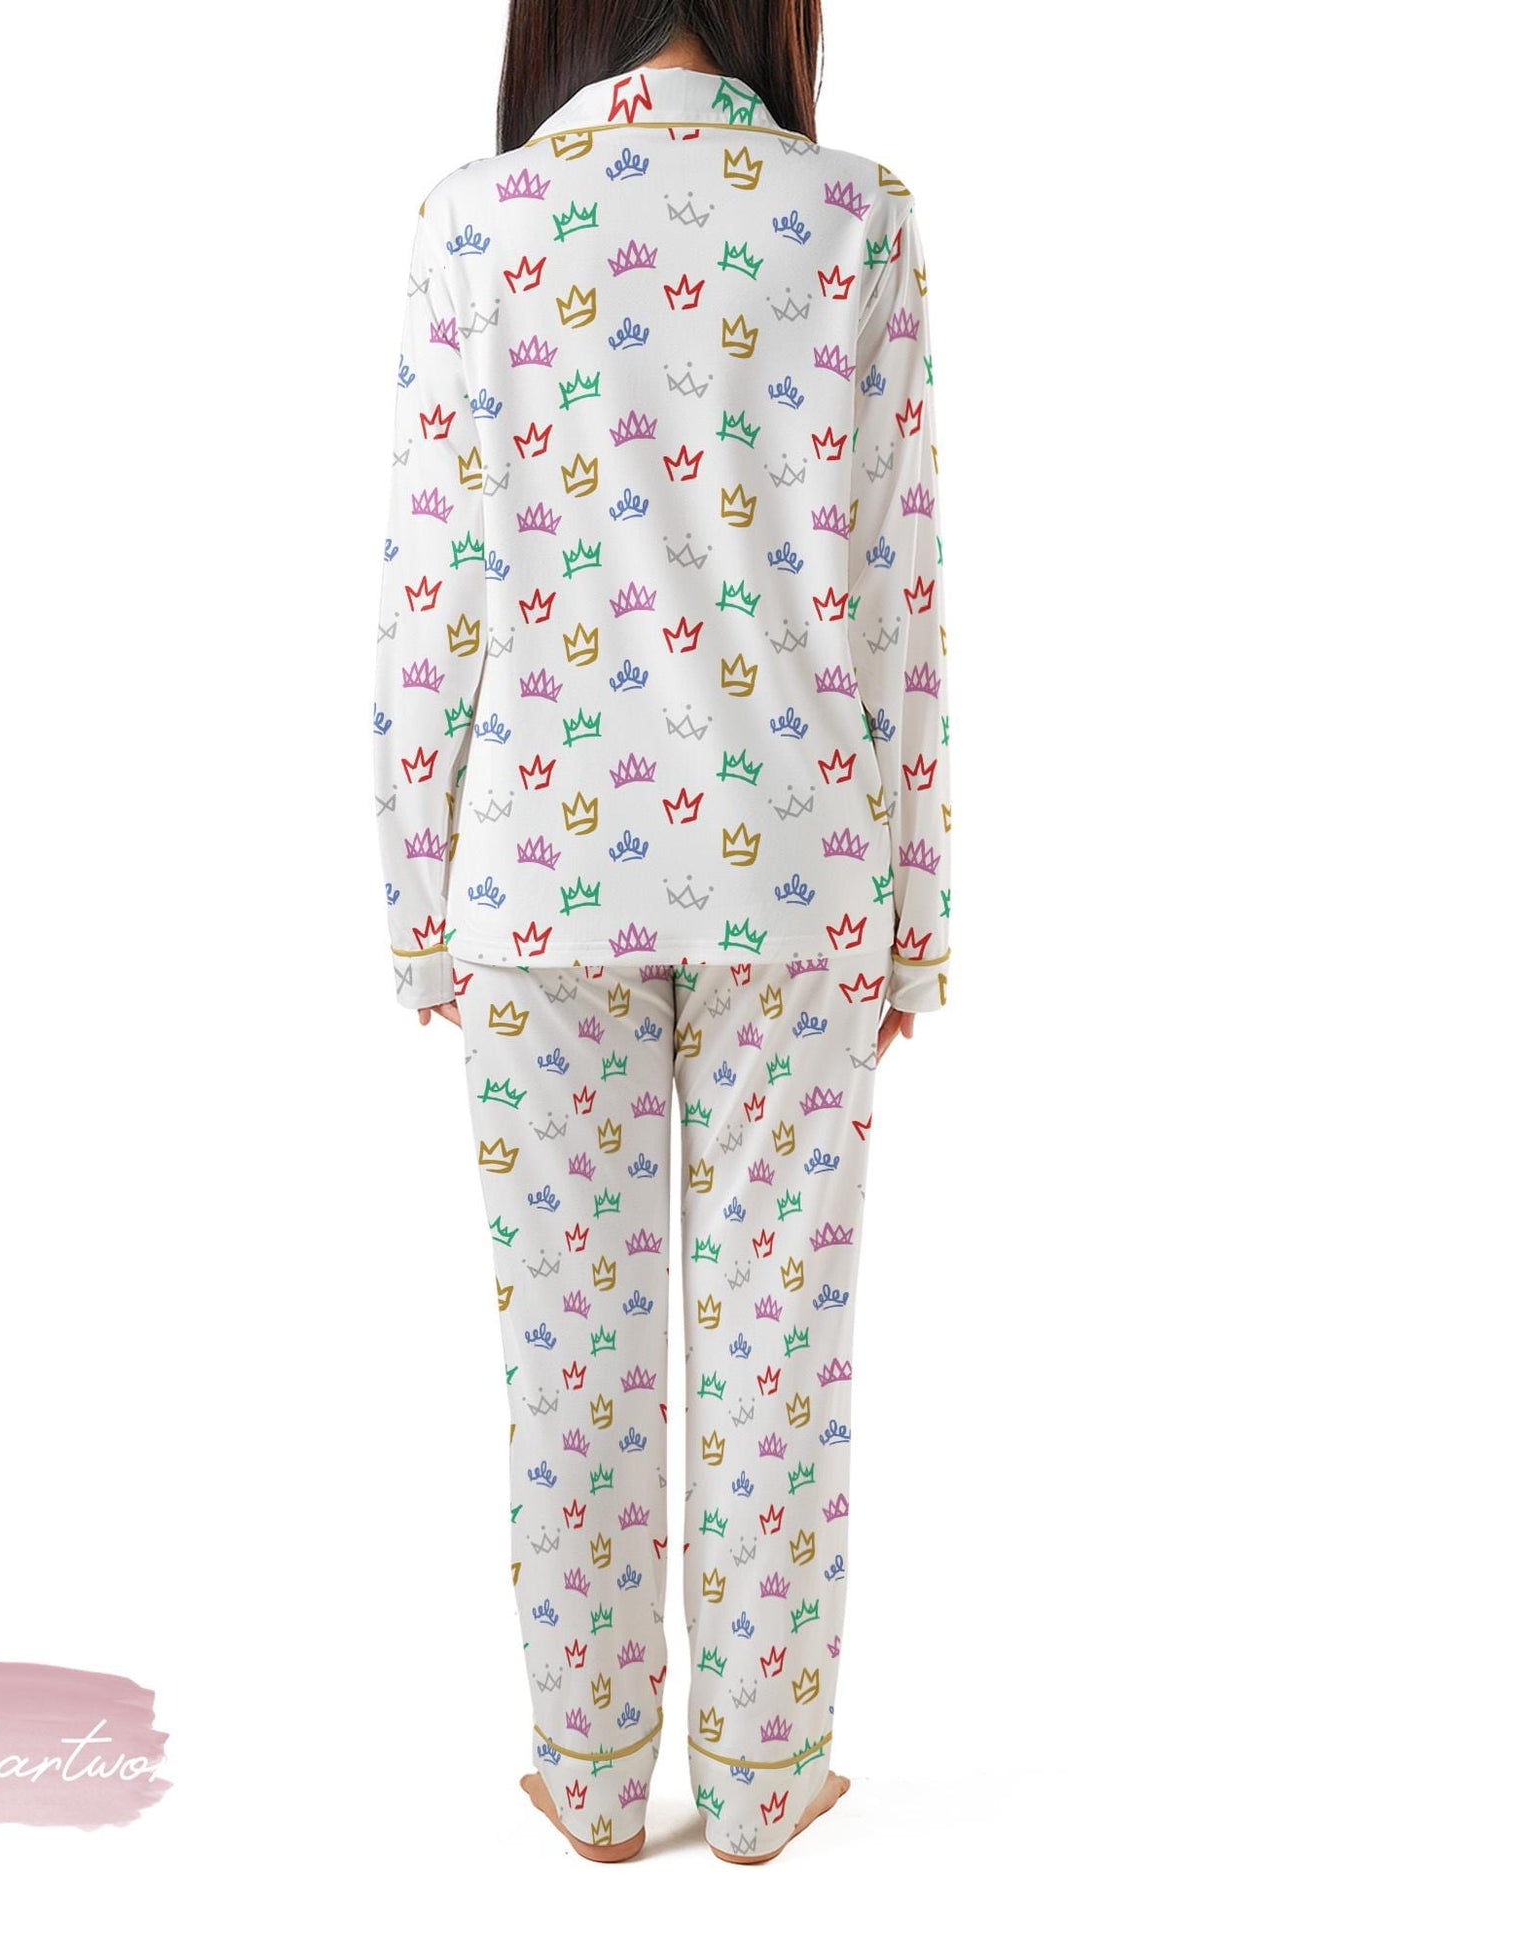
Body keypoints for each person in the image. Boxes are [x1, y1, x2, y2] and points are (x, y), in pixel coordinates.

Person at [370, 0, 954, 1864]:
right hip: (802, 863)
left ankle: (594, 1775)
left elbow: (436, 580)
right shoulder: (854, 214)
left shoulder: (476, 223)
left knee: (573, 1343)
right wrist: (919, 911)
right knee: (783, 1336)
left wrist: (415, 896)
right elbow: (894, 583)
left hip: (537, 865)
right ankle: (767, 1783)